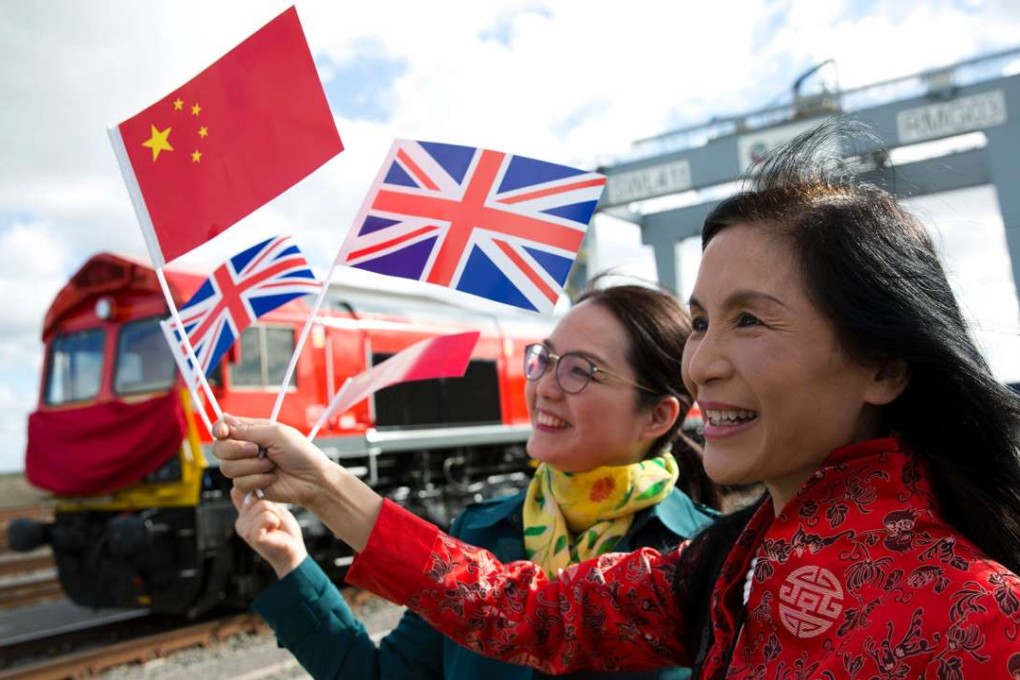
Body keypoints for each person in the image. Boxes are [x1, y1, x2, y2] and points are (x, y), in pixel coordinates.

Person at [216, 120, 1020, 677]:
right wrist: (322, 486)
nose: (703, 362)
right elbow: (514, 608)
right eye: (701, 322)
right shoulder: (724, 565)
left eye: (750, 320)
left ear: (883, 365)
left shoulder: (983, 618)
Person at [229, 282, 721, 679]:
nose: (544, 386)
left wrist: (324, 489)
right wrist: (292, 566)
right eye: (544, 359)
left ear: (658, 416)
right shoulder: (480, 532)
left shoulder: (706, 558)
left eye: (580, 372)